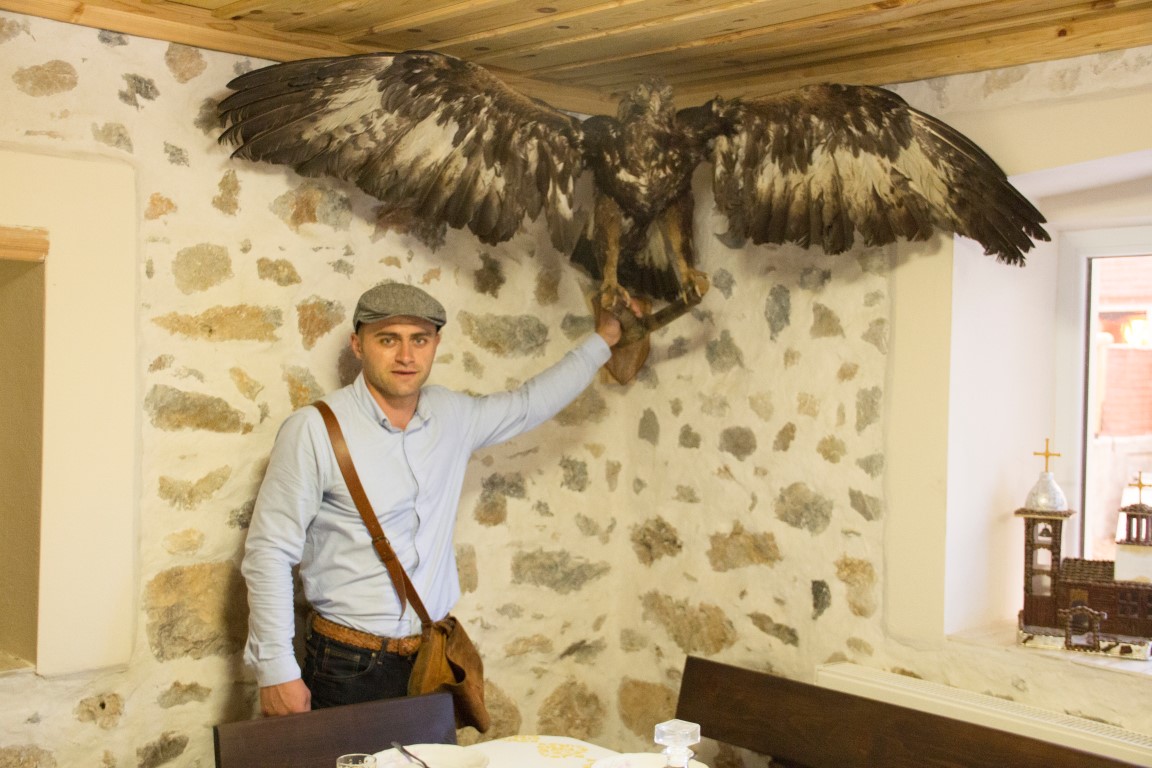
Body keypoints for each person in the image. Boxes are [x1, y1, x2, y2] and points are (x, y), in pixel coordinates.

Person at [242, 282, 625, 716]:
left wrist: (605, 339)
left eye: (419, 340)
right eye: (388, 340)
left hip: (433, 660)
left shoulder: (451, 415)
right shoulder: (313, 430)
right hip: (348, 665)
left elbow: (528, 404)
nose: (406, 356)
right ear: (358, 345)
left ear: (435, 344)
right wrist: (276, 670)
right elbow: (269, 551)